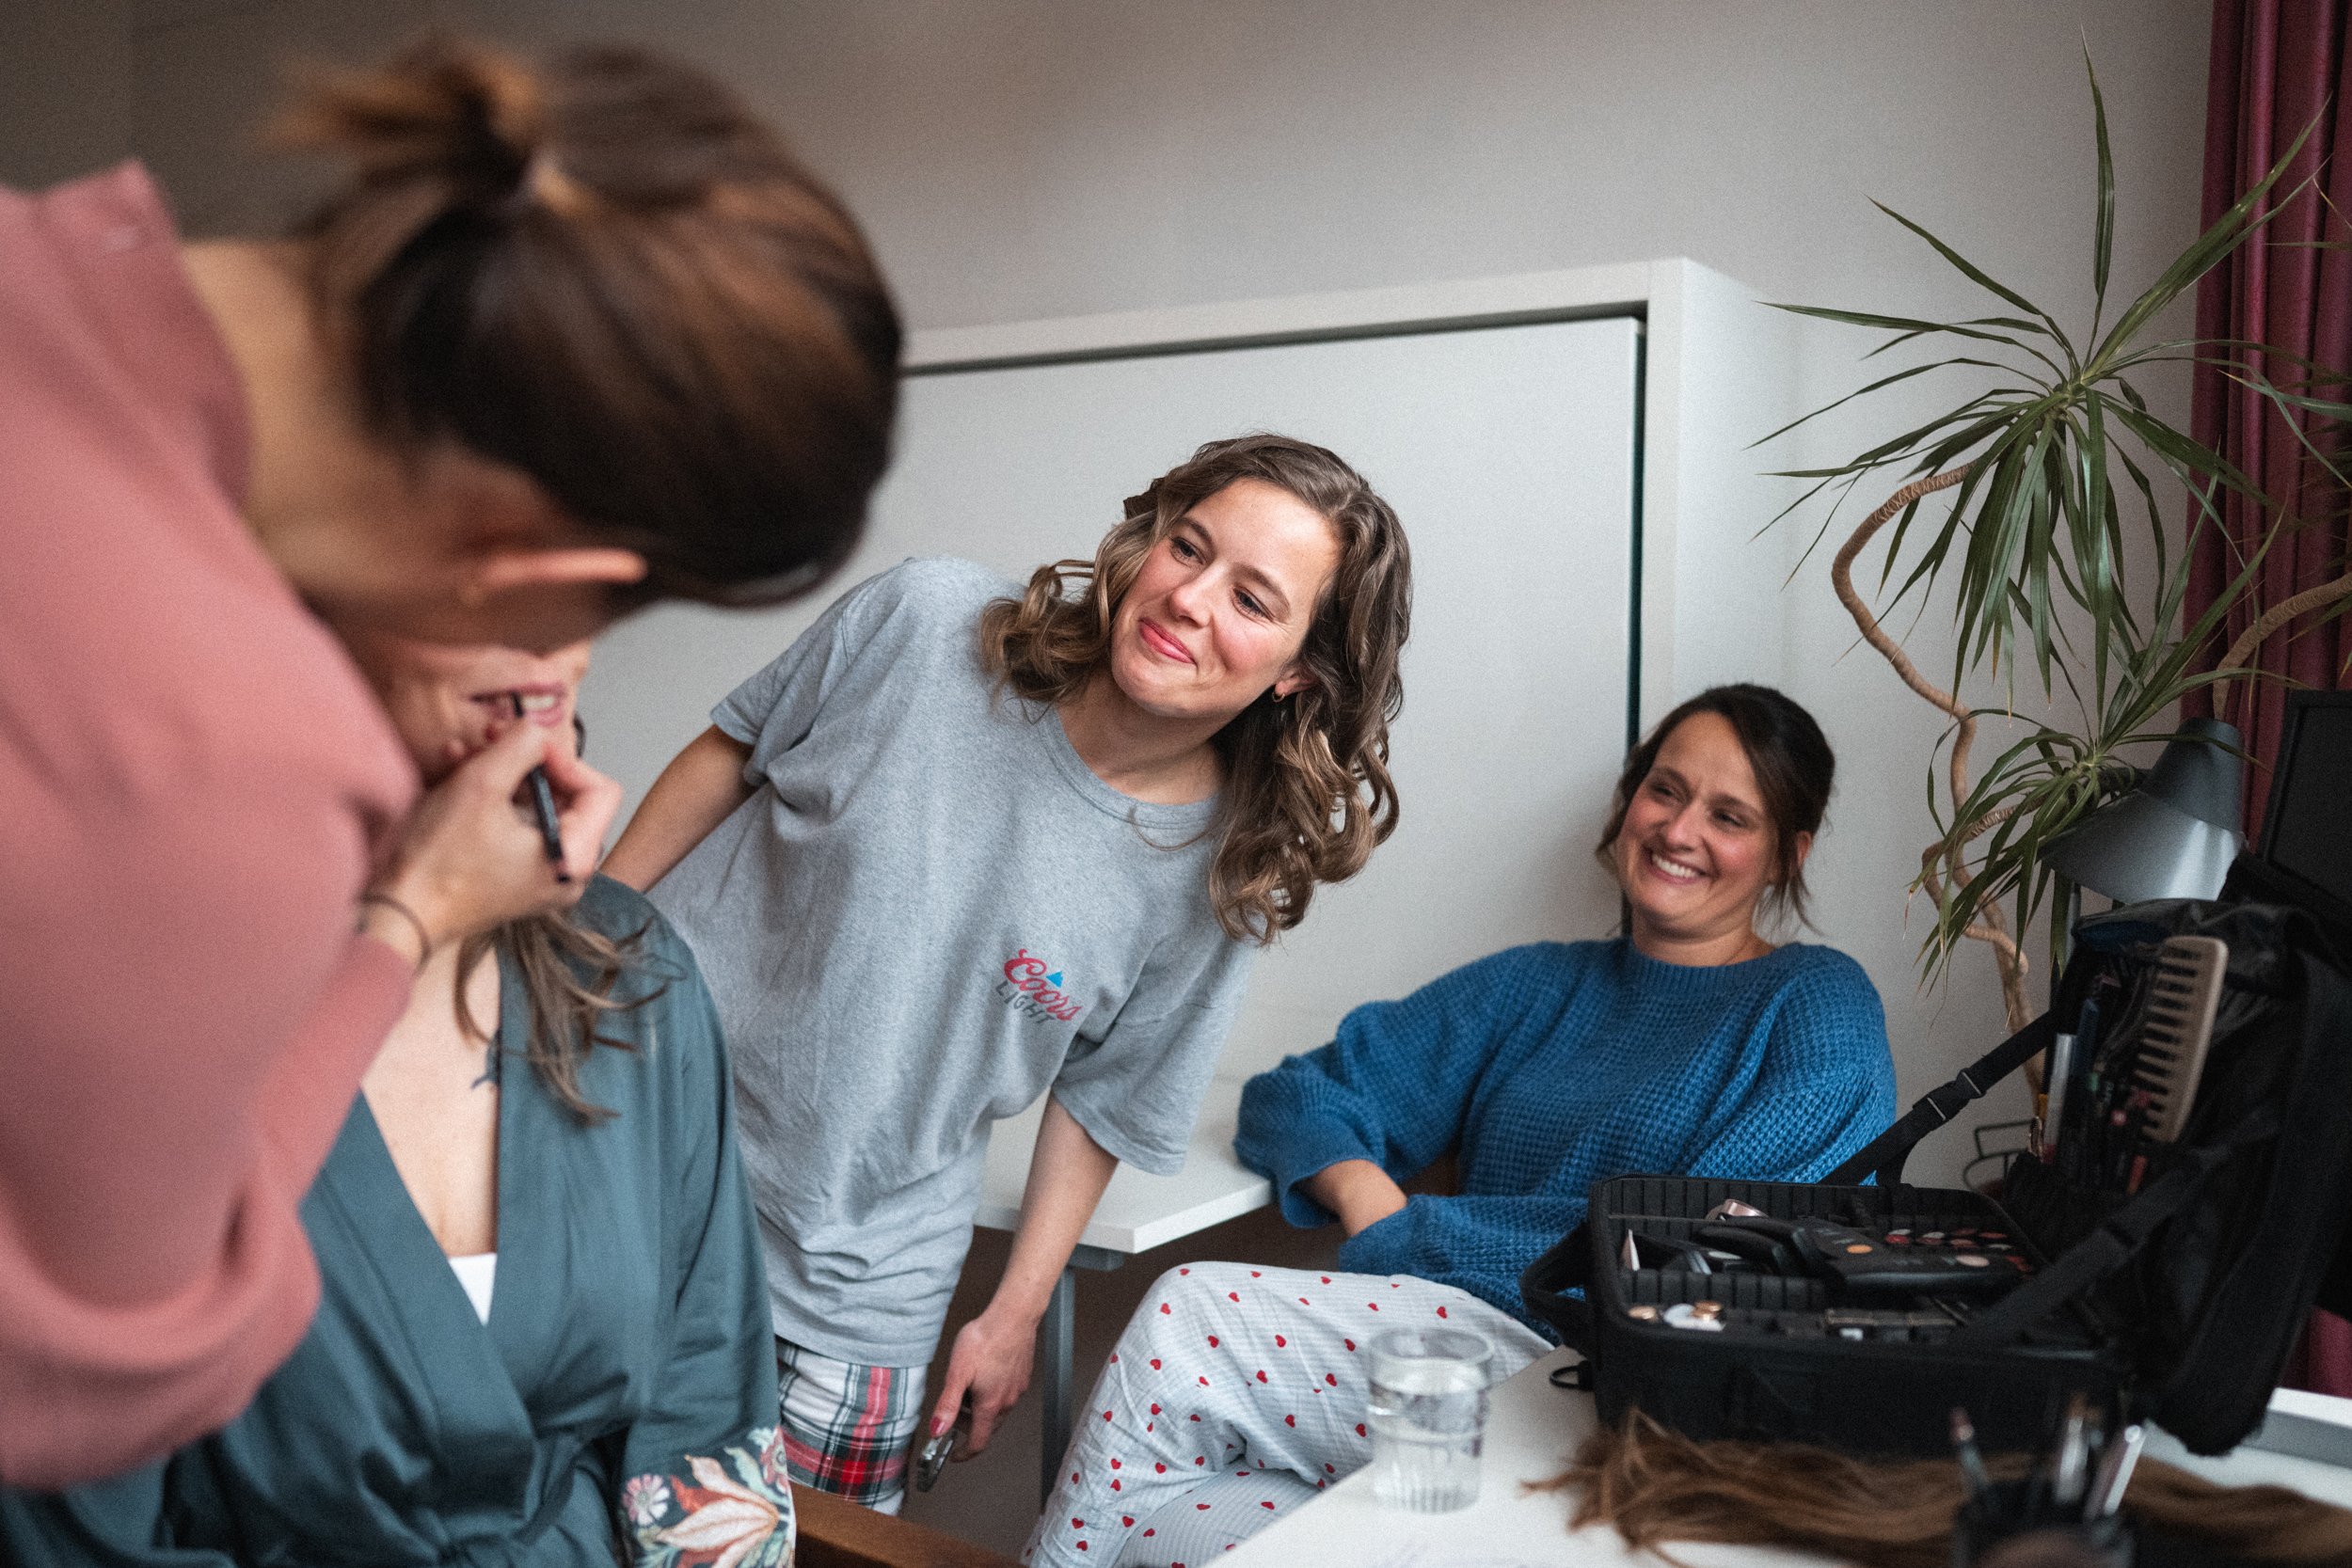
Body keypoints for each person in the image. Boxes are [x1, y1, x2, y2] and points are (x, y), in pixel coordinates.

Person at [0, 38, 898, 1486]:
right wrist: (398, 926)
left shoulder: (634, 971)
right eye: (607, 605)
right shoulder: (224, 762)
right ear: (538, 567)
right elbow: (78, 1393)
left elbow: (704, 1407)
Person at [601, 434, 1413, 1511]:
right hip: (617, 1177)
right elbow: (733, 750)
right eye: (1188, 547)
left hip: (852, 1297)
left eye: (1252, 599)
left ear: (1300, 672)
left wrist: (1013, 1309)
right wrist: (576, 941)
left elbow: (1105, 1099)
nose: (1186, 598)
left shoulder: (1221, 873)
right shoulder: (926, 621)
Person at [1024, 684, 1898, 1567]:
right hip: (1463, 1353)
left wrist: (1423, 1236)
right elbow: (1296, 1095)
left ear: (1789, 855)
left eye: (1730, 815)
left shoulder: (1816, 1002)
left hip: (1606, 1386)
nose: (1680, 830)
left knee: (1193, 1319)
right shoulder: (1538, 985)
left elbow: (1702, 1247)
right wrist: (1370, 1200)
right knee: (1173, 1530)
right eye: (1665, 790)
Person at [0, 635, 794, 1567]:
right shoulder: (105, 1011)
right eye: (479, 570)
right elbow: (75, 1524)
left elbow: (707, 1409)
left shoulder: (629, 969)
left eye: (577, 603)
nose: (544, 639)